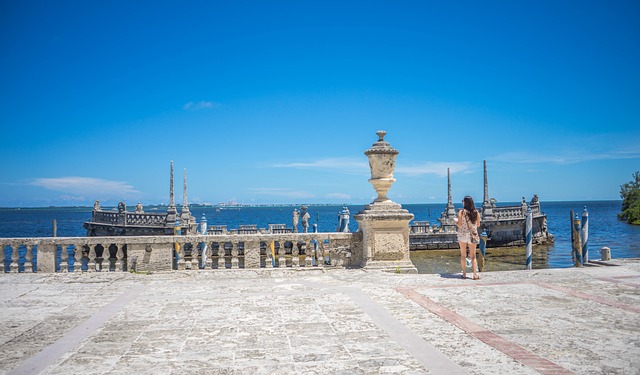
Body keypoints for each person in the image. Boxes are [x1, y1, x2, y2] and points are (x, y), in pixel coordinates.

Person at [456, 196, 481, 280]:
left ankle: (464, 274)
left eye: (463, 201)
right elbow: (478, 224)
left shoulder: (461, 212)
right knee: (473, 256)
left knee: (463, 255)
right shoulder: (476, 212)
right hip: (472, 235)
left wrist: (455, 221)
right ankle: (474, 274)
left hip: (462, 235)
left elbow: (459, 224)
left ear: (465, 202)